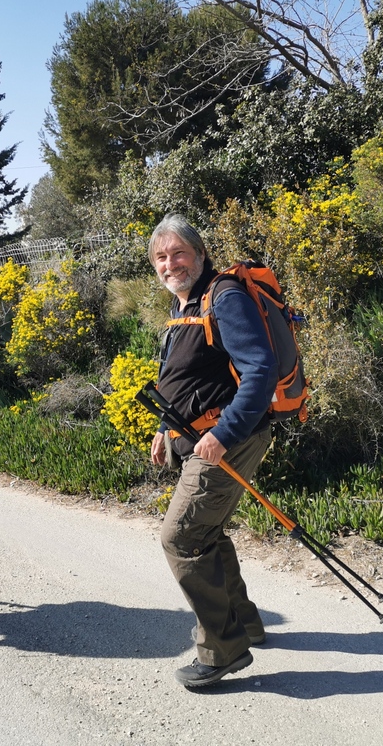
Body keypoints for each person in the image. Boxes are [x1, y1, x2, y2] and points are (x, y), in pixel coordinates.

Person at [147, 214, 276, 688]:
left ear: (200, 254)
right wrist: (166, 428)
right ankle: (244, 623)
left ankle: (221, 650)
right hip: (198, 438)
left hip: (229, 439)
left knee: (181, 538)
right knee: (210, 533)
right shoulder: (187, 307)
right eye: (161, 257)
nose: (170, 263)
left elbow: (259, 372)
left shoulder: (224, 298)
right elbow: (184, 381)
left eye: (178, 252)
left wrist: (223, 433)